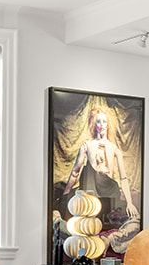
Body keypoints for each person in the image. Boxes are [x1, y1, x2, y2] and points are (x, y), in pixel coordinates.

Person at [60, 105, 140, 256]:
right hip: (88, 193)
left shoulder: (115, 149)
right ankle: (84, 240)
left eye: (104, 121)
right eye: (98, 122)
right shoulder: (87, 146)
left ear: (108, 124)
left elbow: (123, 178)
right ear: (94, 124)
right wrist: (66, 193)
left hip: (110, 192)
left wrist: (129, 202)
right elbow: (75, 172)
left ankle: (108, 239)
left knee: (137, 223)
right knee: (86, 171)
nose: (101, 125)